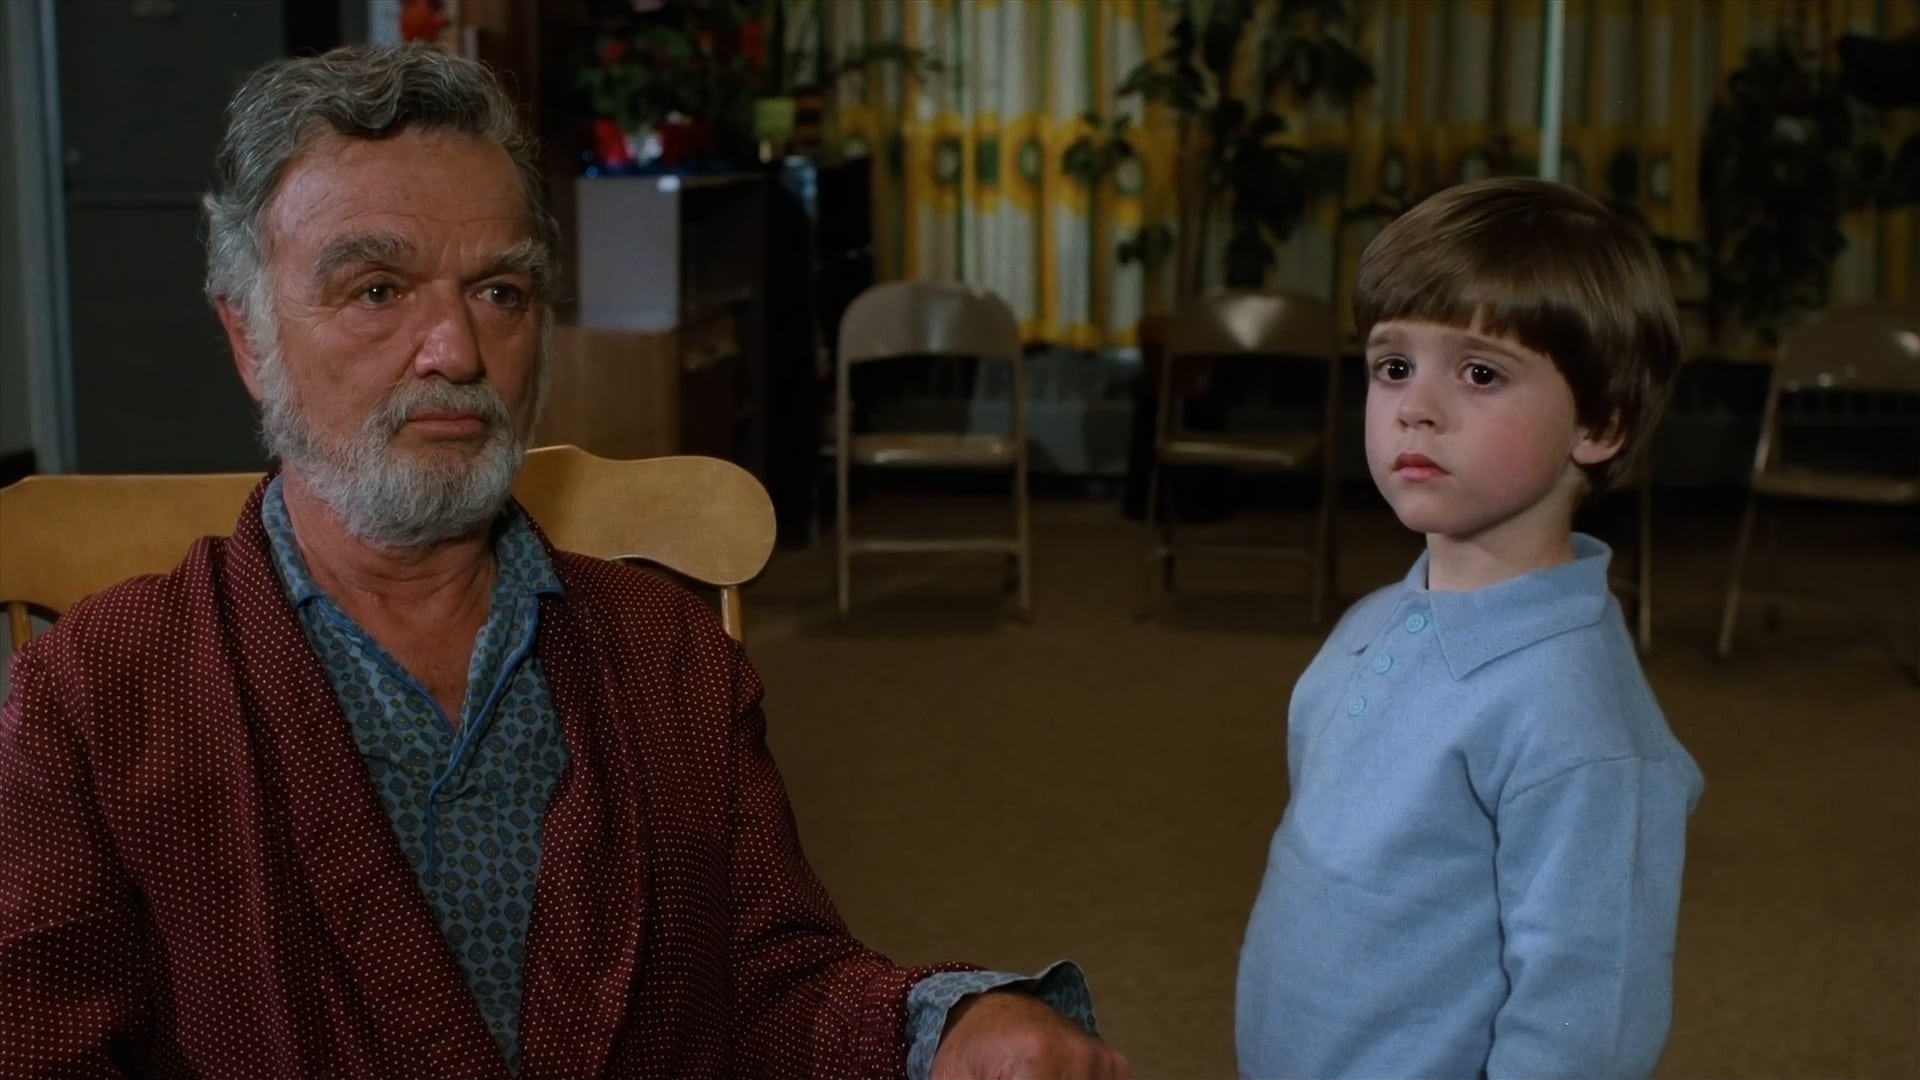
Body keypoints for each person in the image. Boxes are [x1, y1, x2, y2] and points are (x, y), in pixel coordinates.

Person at [0, 44, 1129, 1080]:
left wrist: (949, 1032)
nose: (456, 349)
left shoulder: (667, 654)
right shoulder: (96, 699)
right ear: (248, 335)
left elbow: (770, 983)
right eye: (377, 291)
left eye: (500, 291)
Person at [1235, 177, 1705, 1078]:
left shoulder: (1579, 722)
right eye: (1393, 366)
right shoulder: (1374, 620)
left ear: (1600, 424)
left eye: (1480, 373)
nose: (1415, 406)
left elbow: (1591, 1019)